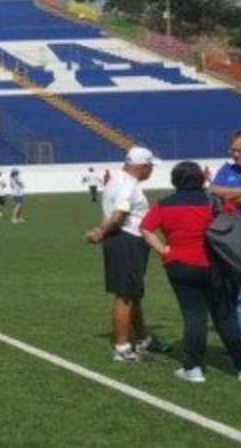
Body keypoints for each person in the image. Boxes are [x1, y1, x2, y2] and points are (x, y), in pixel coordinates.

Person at [141, 160, 241, 383]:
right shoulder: (215, 202)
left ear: (175, 180)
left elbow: (146, 228)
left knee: (194, 316)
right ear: (202, 179)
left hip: (180, 265)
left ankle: (193, 369)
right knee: (226, 317)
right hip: (216, 266)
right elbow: (234, 224)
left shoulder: (163, 204)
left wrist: (164, 250)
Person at [84, 146, 160, 362]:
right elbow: (119, 215)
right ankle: (122, 347)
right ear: (141, 166)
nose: (151, 171)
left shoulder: (117, 179)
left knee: (132, 292)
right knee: (125, 294)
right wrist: (100, 231)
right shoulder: (128, 184)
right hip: (127, 240)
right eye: (150, 166)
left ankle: (143, 338)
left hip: (122, 239)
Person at [209, 129, 241, 346]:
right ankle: (240, 340)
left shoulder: (227, 174)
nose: (235, 155)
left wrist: (226, 194)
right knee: (231, 291)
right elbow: (212, 193)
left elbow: (220, 192)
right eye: (232, 150)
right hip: (229, 240)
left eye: (240, 150)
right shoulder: (226, 169)